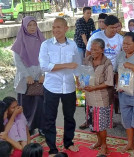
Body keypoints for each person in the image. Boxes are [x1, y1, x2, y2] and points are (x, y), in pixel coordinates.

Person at [39, 17, 80, 156]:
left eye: (59, 27)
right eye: (54, 27)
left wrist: (79, 79)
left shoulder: (72, 45)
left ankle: (68, 142)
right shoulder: (46, 45)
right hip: (51, 86)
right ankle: (52, 148)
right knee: (50, 118)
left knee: (69, 116)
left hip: (69, 86)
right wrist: (66, 65)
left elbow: (76, 64)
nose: (55, 30)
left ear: (66, 29)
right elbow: (45, 66)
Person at [11, 16, 45, 136]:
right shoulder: (20, 41)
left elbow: (45, 58)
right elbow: (18, 61)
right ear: (24, 26)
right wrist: (27, 76)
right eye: (29, 25)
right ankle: (27, 128)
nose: (32, 27)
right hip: (25, 79)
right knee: (25, 105)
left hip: (39, 78)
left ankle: (41, 127)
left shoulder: (41, 39)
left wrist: (43, 74)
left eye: (34, 25)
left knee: (40, 103)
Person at [79, 38, 114, 156]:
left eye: (96, 50)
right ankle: (99, 141)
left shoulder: (107, 63)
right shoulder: (87, 59)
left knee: (101, 125)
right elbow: (83, 73)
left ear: (102, 50)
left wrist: (94, 88)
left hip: (102, 98)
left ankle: (104, 145)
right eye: (91, 49)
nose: (92, 52)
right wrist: (80, 82)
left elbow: (109, 82)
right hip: (90, 97)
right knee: (94, 123)